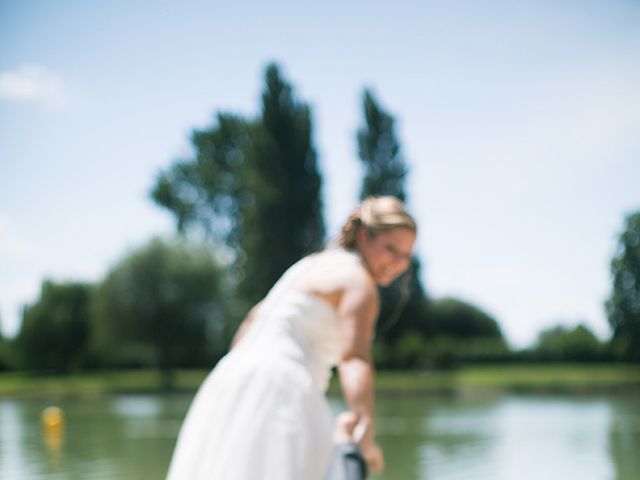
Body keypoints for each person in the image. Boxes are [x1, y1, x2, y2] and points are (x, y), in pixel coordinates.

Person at [166, 196, 417, 480]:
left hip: (229, 379)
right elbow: (354, 358)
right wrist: (365, 429)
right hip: (284, 389)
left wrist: (244, 392)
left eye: (406, 255)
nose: (398, 263)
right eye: (391, 248)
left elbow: (252, 320)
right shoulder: (358, 281)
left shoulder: (309, 266)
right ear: (363, 236)